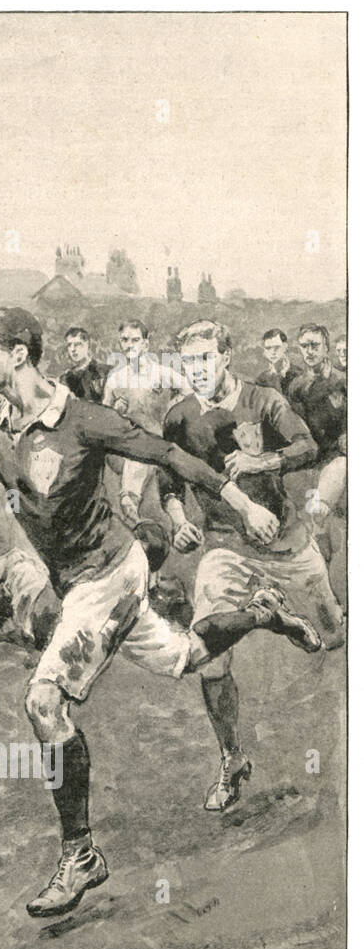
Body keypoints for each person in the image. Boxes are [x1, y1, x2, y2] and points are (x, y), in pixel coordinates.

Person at [0, 307, 322, 919]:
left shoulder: (82, 418)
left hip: (109, 575)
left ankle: (80, 855)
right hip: (83, 583)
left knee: (43, 702)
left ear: (19, 354)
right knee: (184, 657)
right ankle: (262, 613)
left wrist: (236, 495)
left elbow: (165, 454)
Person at [162, 319, 340, 812]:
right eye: (187, 362)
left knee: (336, 635)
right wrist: (178, 520)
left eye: (203, 359)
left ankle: (290, 617)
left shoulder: (263, 400)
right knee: (209, 655)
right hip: (224, 548)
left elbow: (309, 447)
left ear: (224, 356)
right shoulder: (178, 417)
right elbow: (170, 485)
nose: (195, 370)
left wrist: (261, 463)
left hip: (285, 543)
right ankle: (232, 759)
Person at [102, 320, 188, 525]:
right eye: (125, 340)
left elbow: (190, 391)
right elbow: (102, 418)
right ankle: (129, 501)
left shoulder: (161, 373)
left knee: (155, 454)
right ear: (120, 343)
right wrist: (115, 411)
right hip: (126, 447)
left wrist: (173, 405)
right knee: (138, 452)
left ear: (145, 345)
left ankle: (134, 503)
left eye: (135, 340)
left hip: (158, 438)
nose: (129, 345)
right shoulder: (115, 379)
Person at [287, 324, 347, 557]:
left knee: (320, 511)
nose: (309, 351)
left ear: (326, 348)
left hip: (337, 455)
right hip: (309, 457)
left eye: (314, 346)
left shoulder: (344, 382)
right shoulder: (296, 387)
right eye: (304, 346)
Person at [58, 327, 109, 404]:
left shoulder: (104, 371)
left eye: (77, 344)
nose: (72, 349)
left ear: (87, 345)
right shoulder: (66, 378)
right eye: (69, 345)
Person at [252, 328, 298, 395]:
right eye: (268, 348)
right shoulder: (261, 379)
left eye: (277, 347)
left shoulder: (298, 374)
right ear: (264, 351)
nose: (272, 352)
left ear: (285, 347)